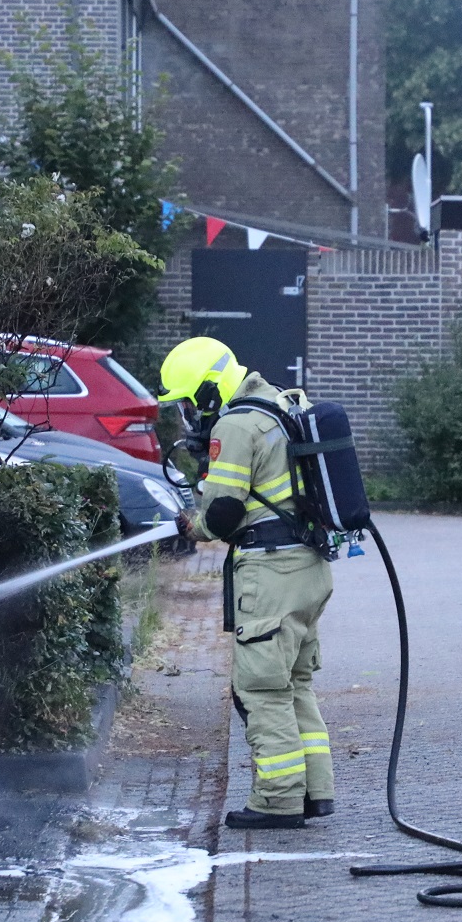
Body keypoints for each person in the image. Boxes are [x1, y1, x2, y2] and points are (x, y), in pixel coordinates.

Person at [158, 336, 334, 830]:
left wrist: (191, 527)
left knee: (261, 690)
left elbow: (223, 512)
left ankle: (278, 801)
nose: (189, 416)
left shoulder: (235, 425)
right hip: (307, 568)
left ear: (208, 391)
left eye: (189, 404)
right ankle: (315, 791)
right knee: (295, 684)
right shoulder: (279, 402)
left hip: (270, 573)